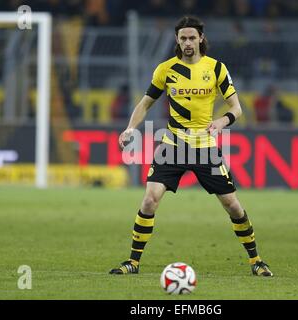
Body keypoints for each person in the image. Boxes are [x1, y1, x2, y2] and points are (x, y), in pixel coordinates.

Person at [109, 16, 273, 277]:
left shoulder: (216, 68)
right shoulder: (166, 69)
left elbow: (237, 109)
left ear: (201, 39)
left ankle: (257, 261)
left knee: (232, 205)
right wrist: (130, 128)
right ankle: (133, 262)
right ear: (177, 40)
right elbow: (145, 104)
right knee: (150, 200)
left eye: (192, 38)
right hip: (172, 144)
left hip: (205, 146)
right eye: (183, 38)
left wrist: (221, 121)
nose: (187, 42)